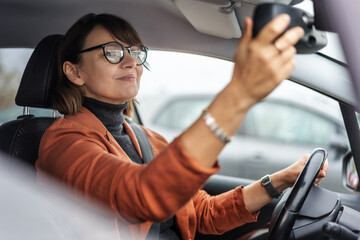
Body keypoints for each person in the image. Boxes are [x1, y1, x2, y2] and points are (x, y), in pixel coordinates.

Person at [36, 13, 328, 240]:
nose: (130, 62)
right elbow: (143, 196)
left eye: (135, 52)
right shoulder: (63, 143)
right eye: (112, 51)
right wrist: (239, 94)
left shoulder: (148, 138)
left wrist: (280, 180)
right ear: (74, 72)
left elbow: (203, 213)